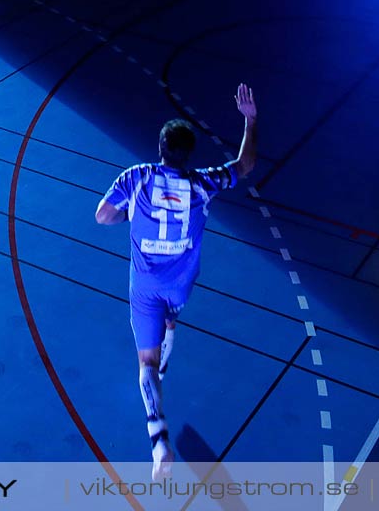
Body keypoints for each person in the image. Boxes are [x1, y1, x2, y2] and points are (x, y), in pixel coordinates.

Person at [95, 84, 259, 481]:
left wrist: (129, 217)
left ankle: (159, 441)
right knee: (171, 321)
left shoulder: (138, 177)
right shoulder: (204, 184)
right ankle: (168, 340)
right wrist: (250, 119)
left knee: (144, 364)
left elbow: (103, 216)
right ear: (190, 155)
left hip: (145, 287)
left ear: (160, 149)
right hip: (180, 286)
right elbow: (245, 164)